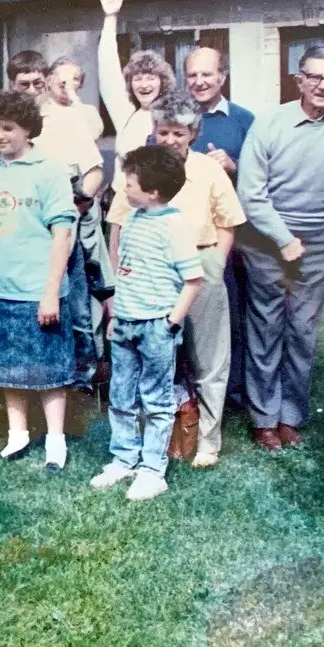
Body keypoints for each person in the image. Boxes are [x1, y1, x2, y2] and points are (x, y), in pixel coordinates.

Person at [237, 46, 324, 451]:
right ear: (298, 80)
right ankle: (263, 416)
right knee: (266, 328)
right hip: (266, 242)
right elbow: (251, 193)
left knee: (302, 330)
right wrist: (283, 239)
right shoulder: (271, 123)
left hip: (320, 246)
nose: (323, 85)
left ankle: (291, 415)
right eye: (314, 77)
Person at [107, 91, 245, 468]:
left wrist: (214, 264)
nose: (170, 140)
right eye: (163, 132)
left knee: (209, 357)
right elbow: (119, 225)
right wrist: (122, 275)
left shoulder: (209, 170)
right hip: (148, 270)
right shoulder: (141, 171)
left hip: (197, 265)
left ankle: (207, 440)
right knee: (153, 356)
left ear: (193, 134)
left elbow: (227, 223)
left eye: (178, 134)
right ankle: (151, 438)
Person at [0, 91, 77, 468]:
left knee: (49, 371)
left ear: (28, 129)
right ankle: (18, 434)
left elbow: (62, 235)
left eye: (8, 128)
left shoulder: (49, 170)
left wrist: (50, 294)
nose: (0, 136)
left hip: (39, 289)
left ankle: (56, 440)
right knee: (9, 368)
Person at [90, 145, 203, 501]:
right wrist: (116, 316)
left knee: (156, 399)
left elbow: (193, 281)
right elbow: (126, 274)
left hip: (157, 326)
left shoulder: (175, 225)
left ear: (153, 191)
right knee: (121, 394)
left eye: (130, 183)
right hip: (125, 323)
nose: (124, 189)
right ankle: (124, 458)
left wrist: (171, 322)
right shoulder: (133, 219)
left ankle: (153, 469)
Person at [183, 44, 257, 407]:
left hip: (231, 236)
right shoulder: (176, 120)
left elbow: (262, 176)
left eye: (207, 74)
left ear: (223, 77)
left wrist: (234, 164)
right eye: (193, 75)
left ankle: (233, 391)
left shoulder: (243, 119)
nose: (199, 82)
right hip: (185, 234)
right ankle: (189, 391)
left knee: (231, 311)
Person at [32, 56, 105, 391]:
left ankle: (82, 377)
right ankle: (42, 374)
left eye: (74, 80)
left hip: (68, 219)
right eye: (60, 80)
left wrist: (75, 206)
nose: (66, 87)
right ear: (47, 80)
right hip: (33, 223)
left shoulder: (78, 118)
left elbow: (94, 171)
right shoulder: (32, 118)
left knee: (76, 301)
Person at [95, 0, 177, 189]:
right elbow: (107, 69)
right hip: (122, 207)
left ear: (163, 81)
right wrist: (110, 18)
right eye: (137, 78)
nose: (144, 84)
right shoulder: (126, 113)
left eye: (151, 77)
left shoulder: (172, 117)